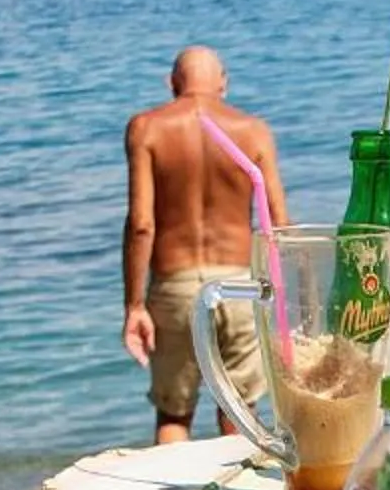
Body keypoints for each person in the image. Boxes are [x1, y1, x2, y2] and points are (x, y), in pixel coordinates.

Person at [122, 45, 289, 444]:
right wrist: (291, 298)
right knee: (238, 412)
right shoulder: (253, 131)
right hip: (240, 284)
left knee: (173, 414)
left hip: (175, 287)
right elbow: (279, 224)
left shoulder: (147, 128)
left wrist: (134, 305)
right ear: (224, 84)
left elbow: (142, 224)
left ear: (172, 83)